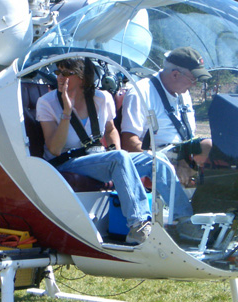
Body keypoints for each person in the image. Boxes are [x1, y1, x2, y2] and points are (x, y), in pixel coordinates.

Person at [36, 57, 152, 244]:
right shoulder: (47, 102)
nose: (59, 77)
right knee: (119, 158)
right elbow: (55, 149)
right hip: (64, 164)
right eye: (58, 72)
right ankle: (138, 225)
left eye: (66, 73)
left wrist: (115, 151)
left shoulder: (102, 98)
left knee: (155, 159)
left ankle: (180, 221)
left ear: (82, 77)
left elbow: (110, 129)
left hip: (97, 159)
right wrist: (67, 111)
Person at [120, 47, 213, 235]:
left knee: (217, 149)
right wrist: (170, 162)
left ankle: (217, 215)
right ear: (175, 74)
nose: (194, 84)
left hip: (180, 151)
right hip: (155, 154)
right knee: (205, 147)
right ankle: (184, 220)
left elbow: (188, 135)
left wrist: (186, 162)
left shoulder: (183, 93)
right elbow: (129, 143)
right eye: (192, 79)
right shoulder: (142, 92)